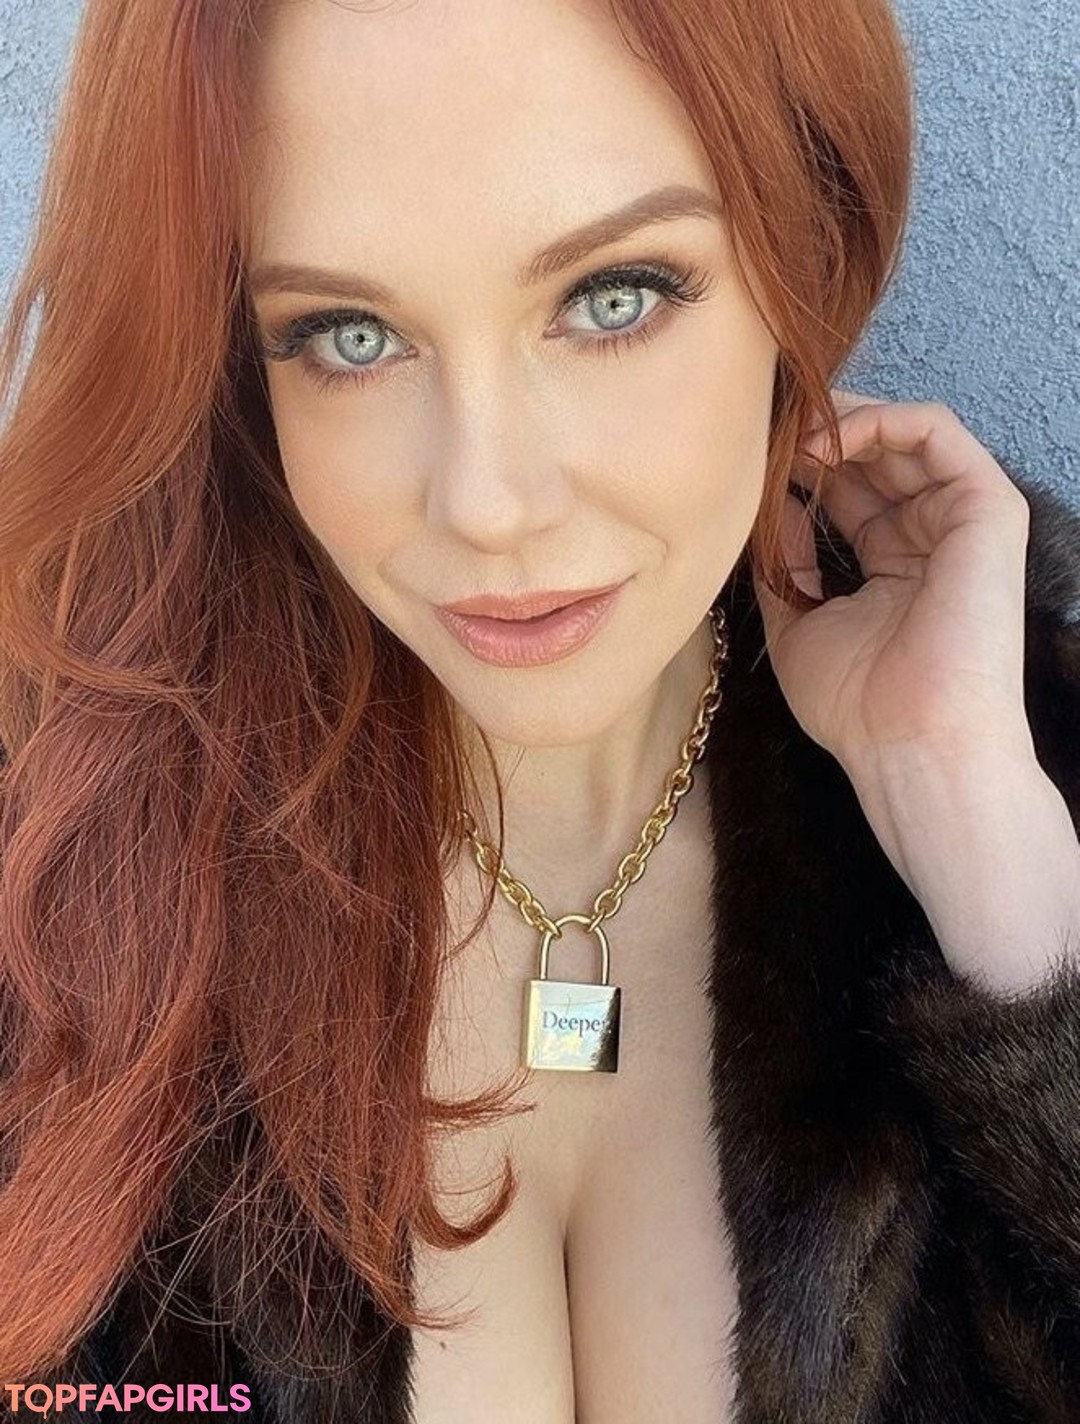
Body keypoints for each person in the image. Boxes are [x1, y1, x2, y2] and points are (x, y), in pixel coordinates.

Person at [1, 0, 1078, 1420]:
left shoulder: (1013, 744)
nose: (489, 504)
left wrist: (989, 853)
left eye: (612, 297)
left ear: (802, 260)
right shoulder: (60, 850)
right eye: (348, 333)